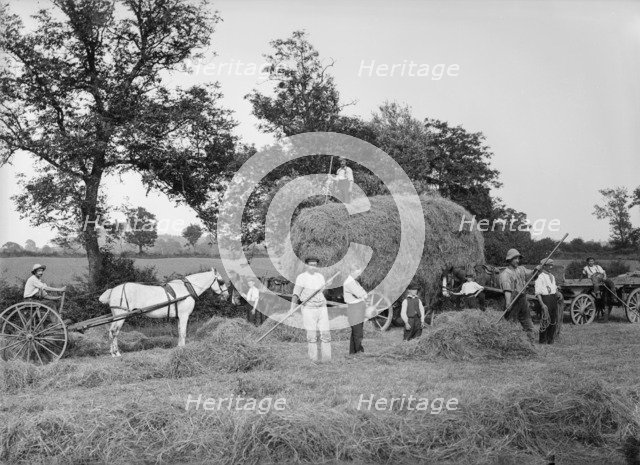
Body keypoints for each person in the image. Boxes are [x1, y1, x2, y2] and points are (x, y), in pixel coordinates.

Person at [292, 257, 331, 362]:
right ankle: (313, 359)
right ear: (306, 265)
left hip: (322, 307)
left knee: (326, 334)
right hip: (309, 308)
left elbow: (324, 293)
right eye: (311, 265)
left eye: (315, 265)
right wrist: (292, 308)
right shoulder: (301, 277)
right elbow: (296, 294)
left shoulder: (320, 277)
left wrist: (327, 286)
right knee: (312, 335)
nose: (313, 267)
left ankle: (327, 359)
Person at [499, 249, 541, 343]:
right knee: (510, 324)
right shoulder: (505, 274)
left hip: (522, 298)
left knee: (528, 323)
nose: (518, 260)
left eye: (518, 258)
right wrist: (508, 302)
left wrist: (536, 270)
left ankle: (531, 344)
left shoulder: (521, 269)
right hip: (513, 300)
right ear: (509, 260)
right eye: (515, 258)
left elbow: (531, 274)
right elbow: (507, 290)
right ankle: (508, 344)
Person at [343, 264, 368, 354]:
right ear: (351, 272)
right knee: (358, 332)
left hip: (358, 307)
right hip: (354, 308)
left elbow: (364, 293)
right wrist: (363, 295)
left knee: (356, 331)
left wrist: (363, 295)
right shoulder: (349, 282)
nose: (359, 275)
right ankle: (359, 351)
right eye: (357, 273)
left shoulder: (354, 282)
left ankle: (353, 352)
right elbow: (360, 294)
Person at [582, 257, 614, 321]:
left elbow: (603, 272)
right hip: (593, 278)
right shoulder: (585, 268)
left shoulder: (597, 266)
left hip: (600, 277)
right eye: (589, 261)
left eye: (592, 261)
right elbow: (583, 274)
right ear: (587, 262)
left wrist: (604, 276)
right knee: (594, 280)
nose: (591, 262)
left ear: (594, 262)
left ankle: (613, 295)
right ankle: (598, 293)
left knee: (610, 282)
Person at [535, 259, 558, 344]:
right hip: (545, 299)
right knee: (545, 320)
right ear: (544, 266)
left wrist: (557, 292)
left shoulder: (552, 276)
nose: (551, 267)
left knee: (553, 320)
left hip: (553, 299)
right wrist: (542, 304)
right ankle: (542, 340)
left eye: (552, 265)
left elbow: (554, 288)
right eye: (549, 265)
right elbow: (538, 292)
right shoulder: (540, 277)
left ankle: (550, 339)